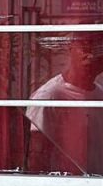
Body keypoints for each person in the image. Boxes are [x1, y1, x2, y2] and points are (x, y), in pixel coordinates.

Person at [25, 33, 103, 175]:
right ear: (70, 48)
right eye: (85, 48)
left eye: (99, 51)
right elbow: (35, 159)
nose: (91, 56)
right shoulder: (48, 97)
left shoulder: (100, 95)